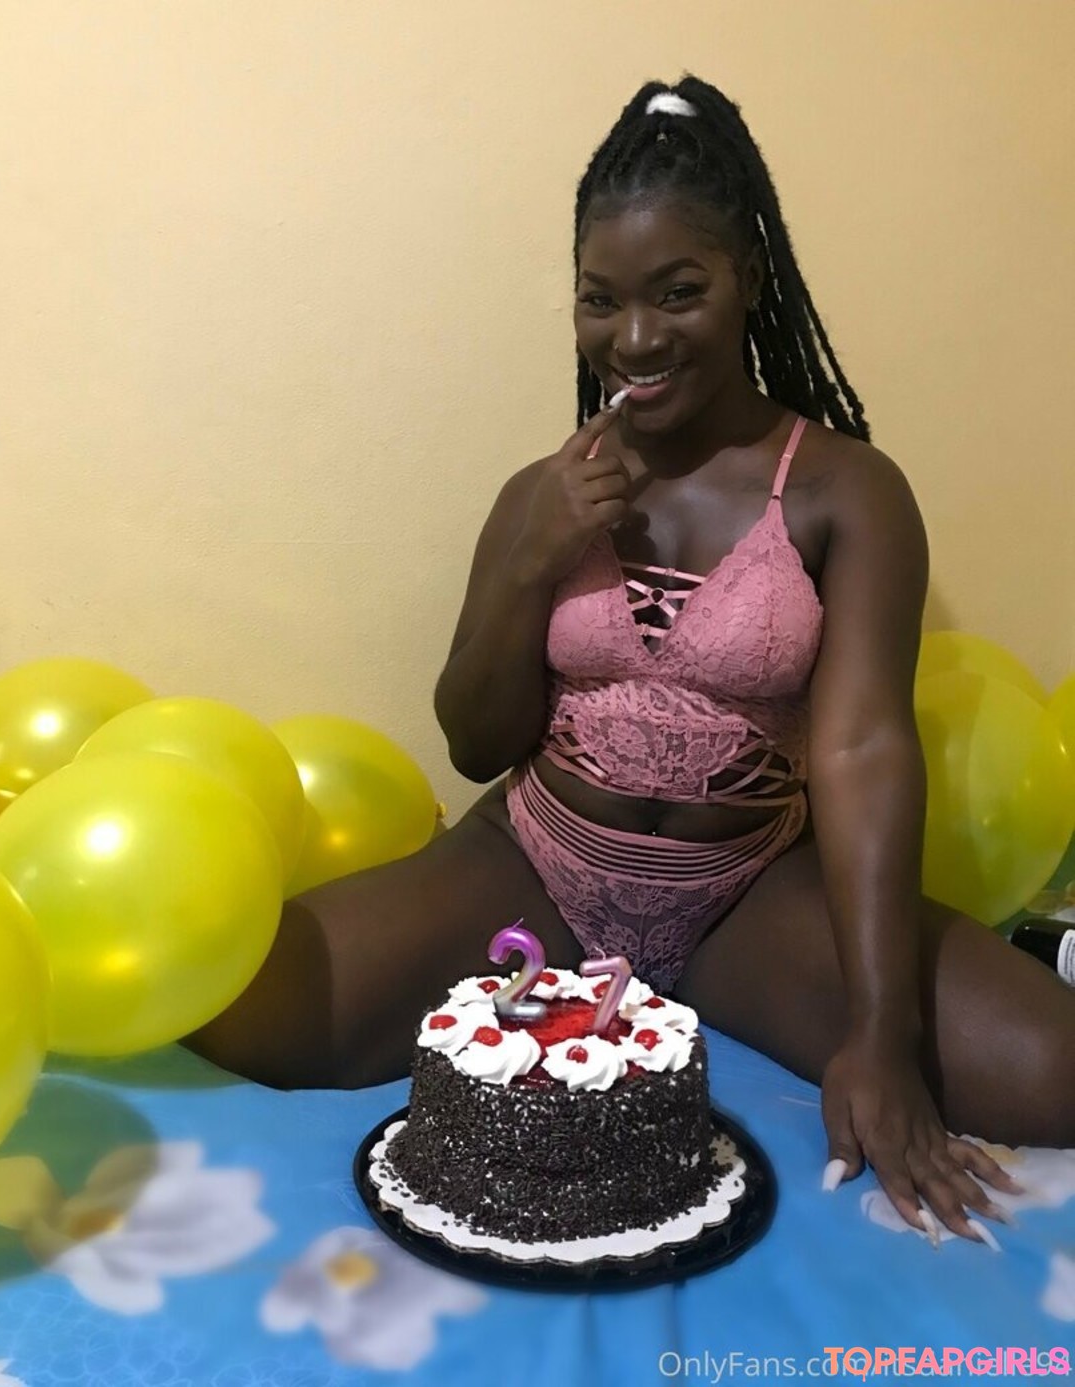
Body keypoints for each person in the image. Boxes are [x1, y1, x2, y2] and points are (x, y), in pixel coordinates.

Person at [186, 74, 1075, 1246]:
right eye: (601, 300)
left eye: (678, 292)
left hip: (747, 896)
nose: (637, 338)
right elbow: (475, 740)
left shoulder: (847, 491)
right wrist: (532, 554)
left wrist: (882, 1031)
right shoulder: (544, 489)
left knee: (1055, 1070)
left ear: (747, 277)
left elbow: (863, 748)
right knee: (246, 1007)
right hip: (537, 866)